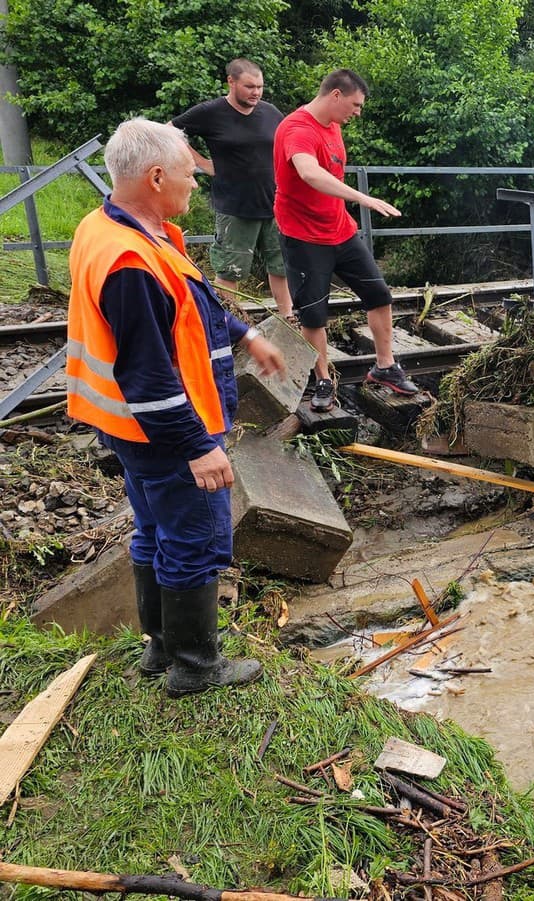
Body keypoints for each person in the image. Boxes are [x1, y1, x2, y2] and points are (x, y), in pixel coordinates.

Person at [64, 118, 286, 697]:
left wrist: (243, 332)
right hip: (162, 432)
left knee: (155, 531)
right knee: (193, 541)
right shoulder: (131, 263)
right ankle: (195, 667)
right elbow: (148, 374)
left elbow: (186, 301)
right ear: (157, 175)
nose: (197, 185)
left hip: (131, 432)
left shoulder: (118, 227)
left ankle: (160, 649)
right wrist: (197, 448)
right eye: (191, 174)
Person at [273, 68, 417, 413]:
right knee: (313, 315)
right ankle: (322, 380)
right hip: (304, 236)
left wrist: (347, 206)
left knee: (378, 294)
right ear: (335, 95)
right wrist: (361, 197)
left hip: (340, 229)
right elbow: (309, 172)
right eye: (355, 105)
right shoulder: (296, 128)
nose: (357, 112)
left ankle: (385, 367)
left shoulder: (334, 126)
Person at [172, 58, 292, 318]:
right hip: (235, 208)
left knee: (281, 267)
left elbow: (288, 144)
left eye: (260, 87)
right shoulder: (210, 112)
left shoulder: (271, 112)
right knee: (230, 272)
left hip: (275, 205)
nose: (256, 93)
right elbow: (168, 132)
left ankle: (288, 318)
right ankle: (232, 324)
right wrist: (201, 162)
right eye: (249, 86)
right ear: (231, 82)